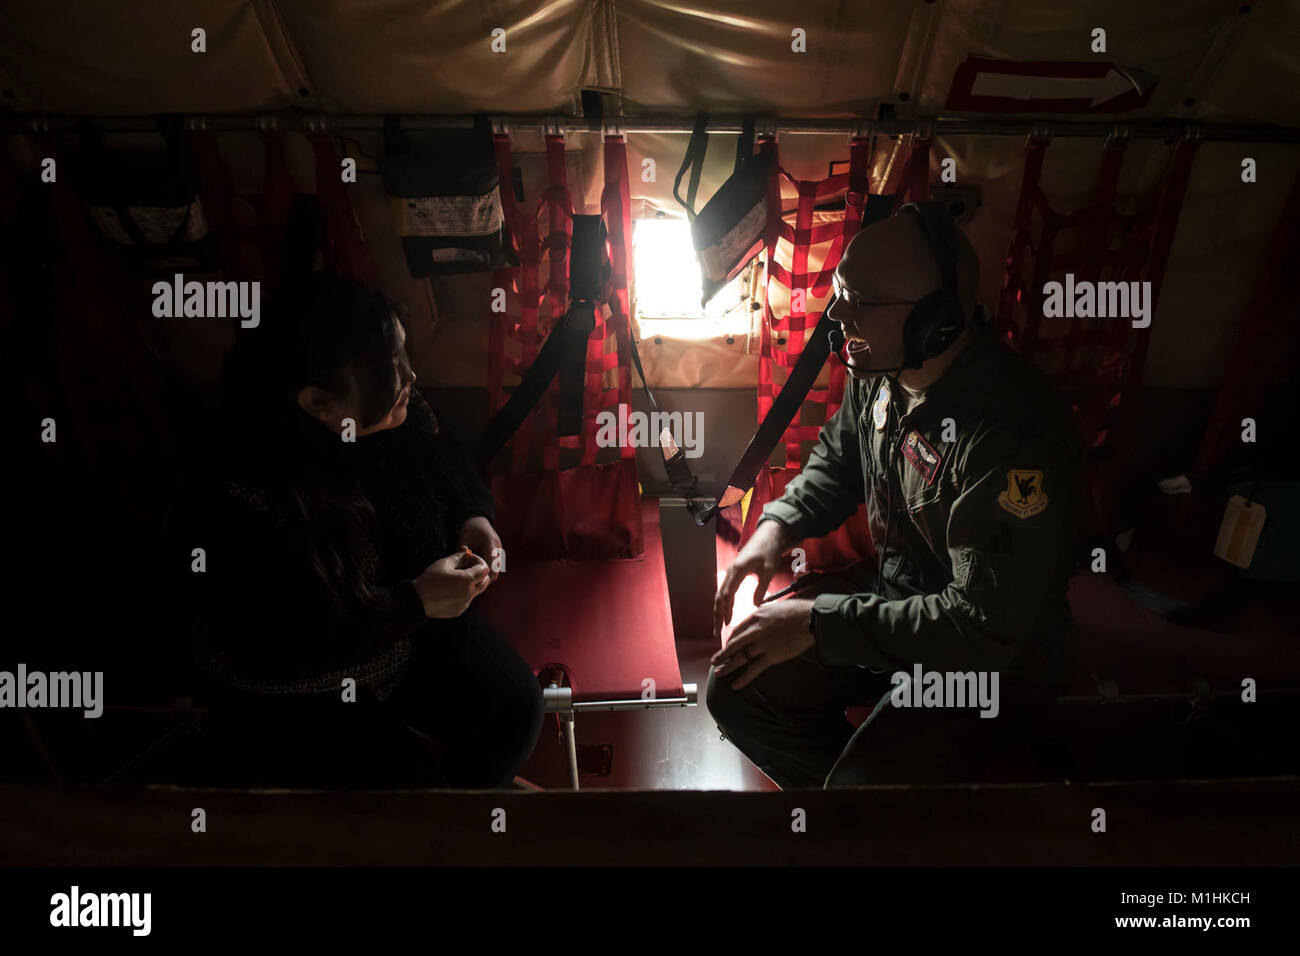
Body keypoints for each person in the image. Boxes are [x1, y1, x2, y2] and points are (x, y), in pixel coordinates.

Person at [707, 204, 1085, 789]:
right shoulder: (884, 368)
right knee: (738, 684)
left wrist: (817, 624)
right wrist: (774, 529)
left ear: (935, 322)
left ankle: (873, 814)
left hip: (983, 661)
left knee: (863, 792)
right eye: (839, 293)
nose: (837, 315)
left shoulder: (1011, 436)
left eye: (860, 301)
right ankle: (875, 820)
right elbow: (839, 458)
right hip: (896, 600)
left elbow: (978, 627)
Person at [169, 272, 543, 788]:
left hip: (411, 615)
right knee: (393, 805)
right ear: (320, 404)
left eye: (403, 355)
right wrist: (413, 602)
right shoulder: (246, 498)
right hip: (309, 678)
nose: (410, 377)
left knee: (515, 708)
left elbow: (446, 460)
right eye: (391, 367)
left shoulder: (389, 411)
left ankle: (469, 805)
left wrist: (473, 515)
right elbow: (276, 645)